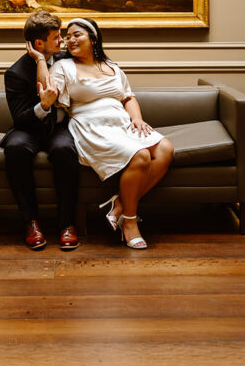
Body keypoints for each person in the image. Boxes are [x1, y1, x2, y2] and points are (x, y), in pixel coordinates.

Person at [29, 17, 174, 250]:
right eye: (67, 36)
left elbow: (128, 97)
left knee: (166, 149)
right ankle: (129, 221)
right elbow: (46, 91)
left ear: (93, 38)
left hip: (122, 122)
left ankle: (119, 204)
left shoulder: (112, 66)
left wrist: (136, 117)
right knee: (141, 156)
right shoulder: (63, 66)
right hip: (91, 126)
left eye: (77, 34)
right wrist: (40, 60)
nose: (70, 39)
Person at [0, 11, 80, 251]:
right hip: (30, 128)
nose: (62, 41)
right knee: (15, 148)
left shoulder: (69, 60)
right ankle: (31, 223)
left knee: (65, 149)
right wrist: (43, 106)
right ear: (38, 44)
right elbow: (20, 118)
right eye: (56, 37)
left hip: (60, 127)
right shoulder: (15, 73)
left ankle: (67, 224)